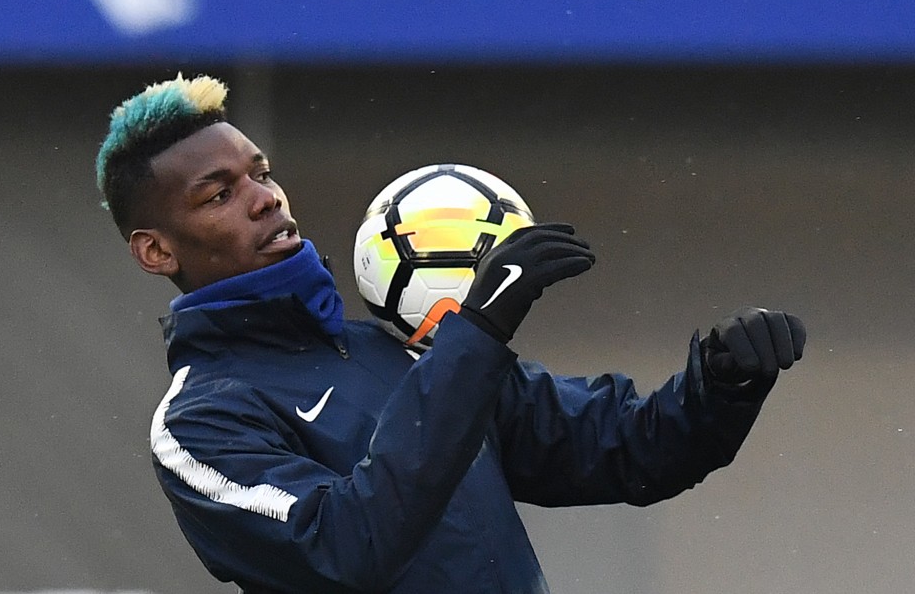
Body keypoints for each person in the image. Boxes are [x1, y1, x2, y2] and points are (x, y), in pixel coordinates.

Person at [96, 74, 806, 593]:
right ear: (156, 251)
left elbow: (633, 451)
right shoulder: (199, 423)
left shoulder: (396, 350)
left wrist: (723, 381)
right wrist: (478, 330)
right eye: (221, 194)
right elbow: (347, 547)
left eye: (261, 173)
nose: (265, 199)